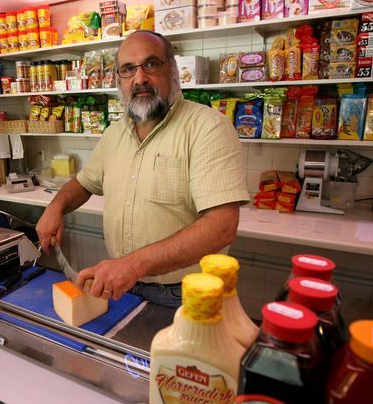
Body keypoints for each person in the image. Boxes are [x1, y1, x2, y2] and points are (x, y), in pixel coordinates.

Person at [36, 30, 249, 307]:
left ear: (171, 69)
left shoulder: (207, 127)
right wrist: (55, 208)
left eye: (151, 64)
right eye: (128, 69)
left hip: (183, 294)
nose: (140, 79)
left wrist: (133, 265)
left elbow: (222, 226)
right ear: (119, 80)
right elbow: (85, 182)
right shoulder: (114, 133)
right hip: (123, 286)